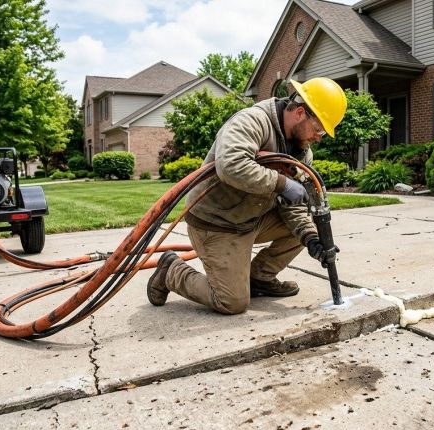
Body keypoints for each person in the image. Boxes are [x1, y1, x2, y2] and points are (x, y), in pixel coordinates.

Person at [146, 77, 347, 314]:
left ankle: (260, 278)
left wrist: (311, 240)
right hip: (217, 222)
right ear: (301, 112)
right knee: (231, 302)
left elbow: (291, 206)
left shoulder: (302, 152)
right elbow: (231, 165)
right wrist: (281, 183)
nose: (319, 137)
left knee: (311, 228)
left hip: (252, 218)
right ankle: (171, 270)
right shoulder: (253, 121)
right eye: (319, 129)